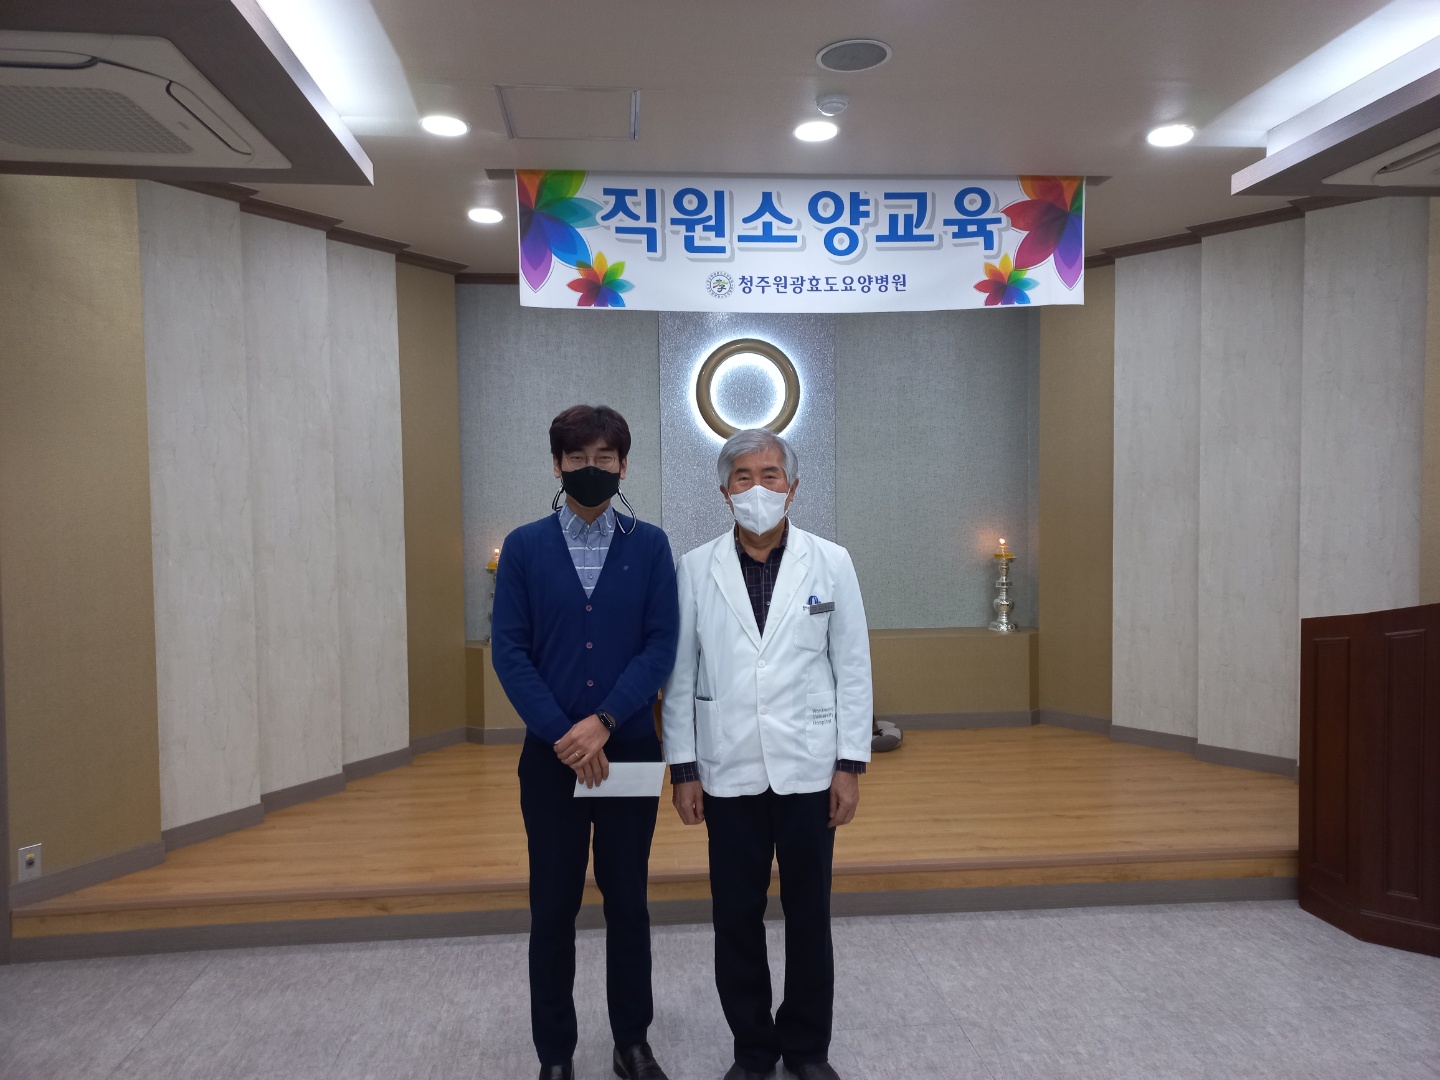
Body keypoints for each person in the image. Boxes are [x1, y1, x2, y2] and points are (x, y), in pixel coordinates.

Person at [661, 428, 873, 1080]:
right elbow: (680, 675)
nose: (758, 488)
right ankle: (753, 1049)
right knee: (735, 918)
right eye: (744, 477)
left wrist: (849, 765)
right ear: (725, 491)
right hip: (727, 768)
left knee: (810, 916)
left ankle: (807, 1048)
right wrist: (684, 768)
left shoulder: (831, 561)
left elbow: (853, 667)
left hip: (809, 767)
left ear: (793, 487)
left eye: (770, 475)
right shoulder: (695, 568)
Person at [491, 405, 679, 1080]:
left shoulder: (650, 546)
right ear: (557, 465)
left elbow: (660, 645)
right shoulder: (524, 548)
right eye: (577, 458)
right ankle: (556, 1054)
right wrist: (562, 733)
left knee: (628, 902)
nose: (591, 469)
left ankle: (632, 1042)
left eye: (605, 458)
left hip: (628, 752)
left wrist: (603, 721)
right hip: (550, 760)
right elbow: (511, 652)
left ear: (623, 466)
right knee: (553, 907)